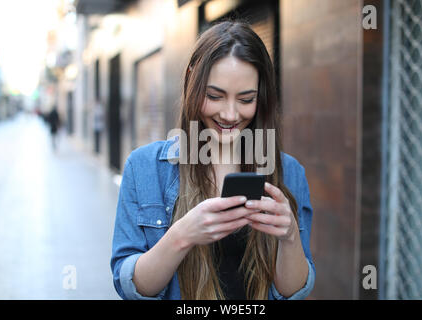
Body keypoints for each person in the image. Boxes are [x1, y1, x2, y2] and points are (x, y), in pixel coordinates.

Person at [110, 21, 315, 300]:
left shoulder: (289, 172)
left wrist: (290, 236)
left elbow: (293, 292)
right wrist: (182, 235)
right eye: (215, 96)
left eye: (246, 99)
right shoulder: (145, 167)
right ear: (192, 82)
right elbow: (132, 288)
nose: (230, 114)